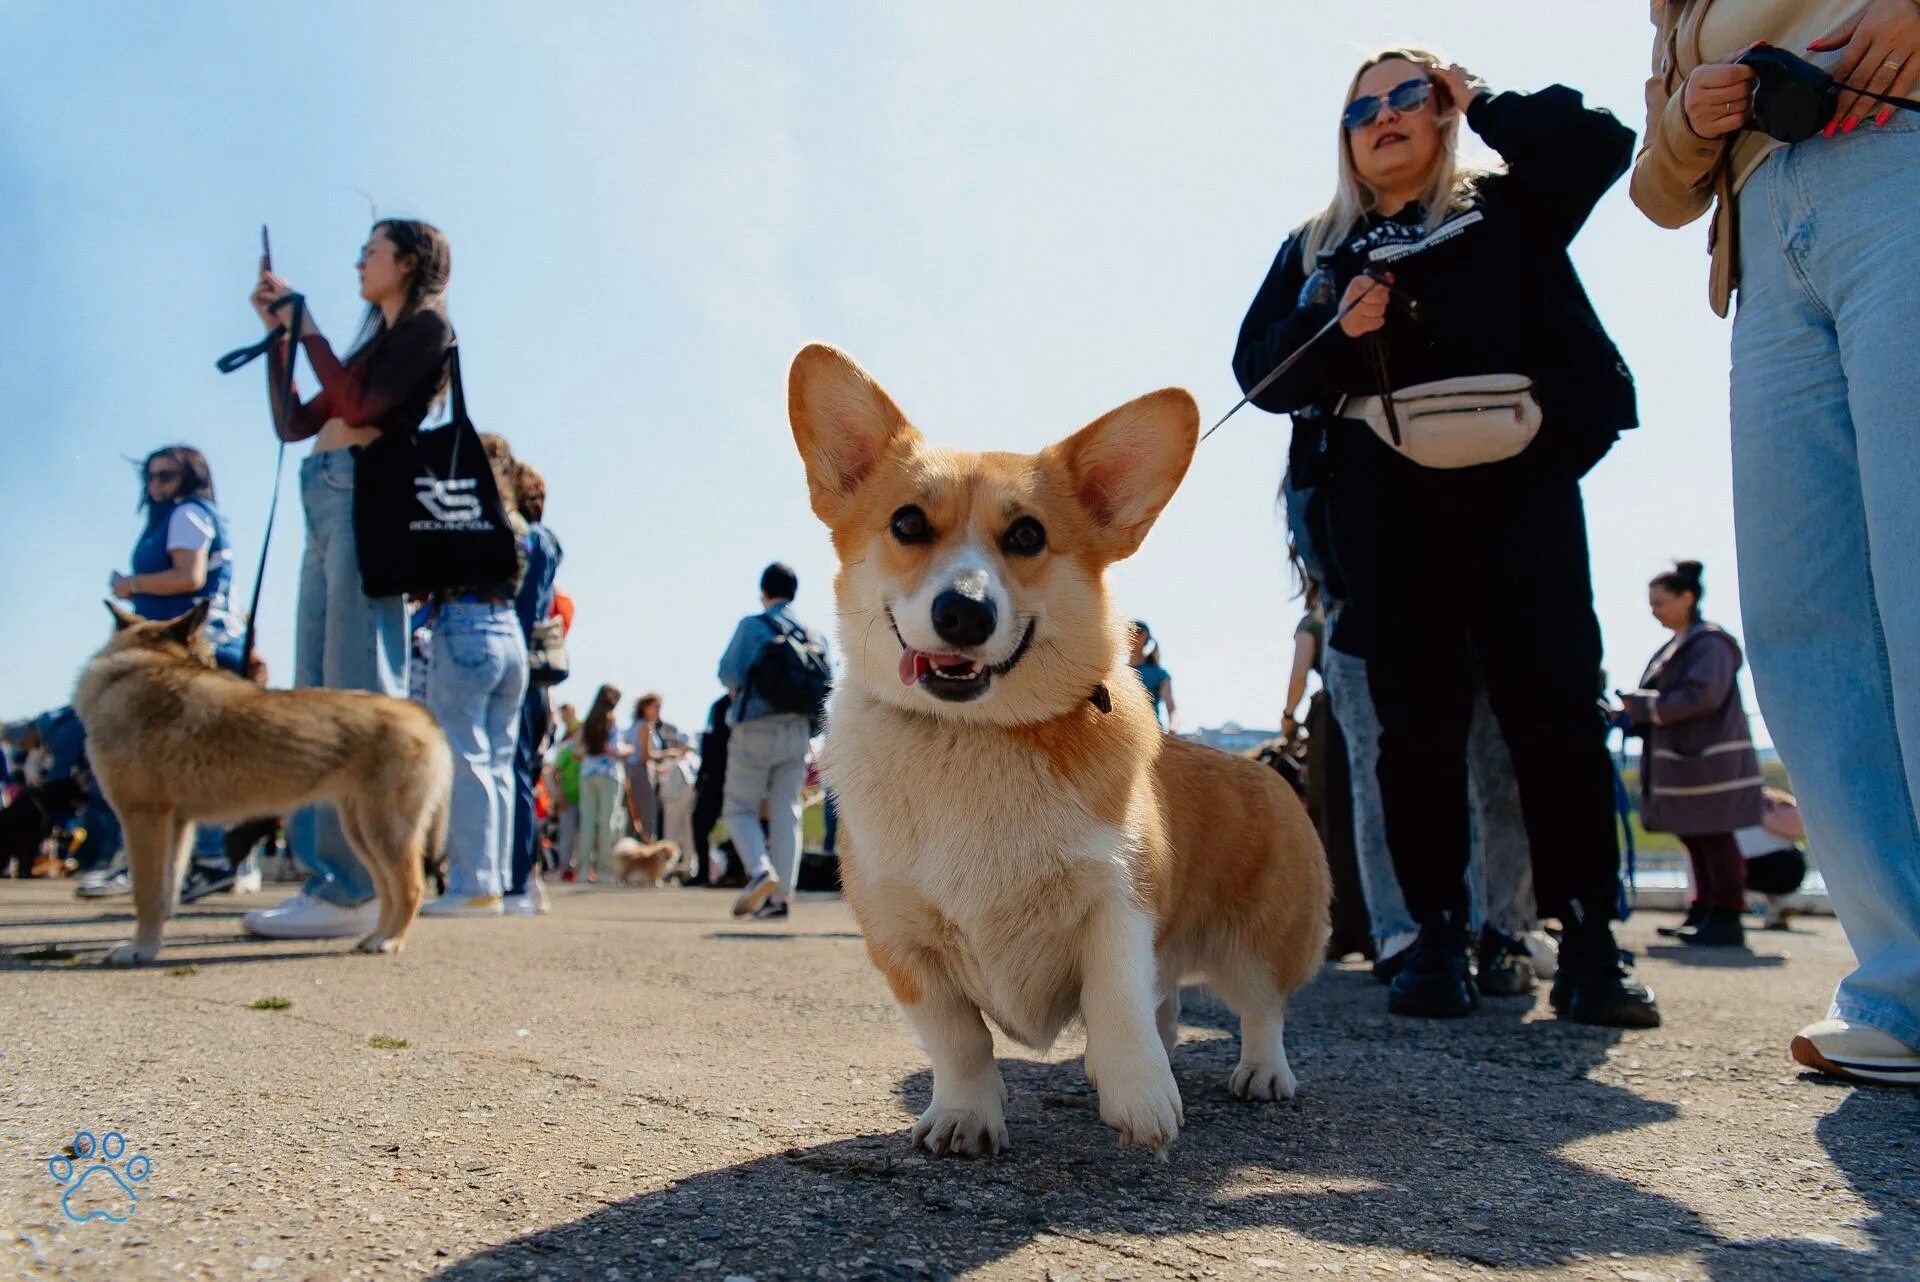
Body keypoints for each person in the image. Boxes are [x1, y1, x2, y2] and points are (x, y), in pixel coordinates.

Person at [1234, 51, 1655, 1026]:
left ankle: (1589, 939)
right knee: (1410, 732)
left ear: (1443, 112)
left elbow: (1597, 144)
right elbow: (1261, 374)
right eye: (1361, 107)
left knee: (1553, 719)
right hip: (1384, 511)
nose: (1383, 117)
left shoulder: (1508, 206)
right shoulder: (1316, 245)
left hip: (1525, 497)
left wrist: (1486, 99)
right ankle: (1432, 937)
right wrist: (1335, 332)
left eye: (1406, 98)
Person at [1631, 1, 1920, 1081]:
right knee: (1804, 620)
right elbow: (1656, 193)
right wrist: (1689, 128)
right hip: (1760, 226)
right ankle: (1902, 981)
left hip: (1898, 151)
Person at [242, 219, 456, 942]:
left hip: (365, 498)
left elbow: (362, 411)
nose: (359, 261)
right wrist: (282, 337)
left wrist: (306, 327)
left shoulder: (428, 330)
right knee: (314, 693)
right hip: (324, 491)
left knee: (356, 687)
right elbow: (297, 420)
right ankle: (331, 880)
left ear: (410, 260)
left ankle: (358, 885)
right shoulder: (371, 343)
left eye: (370, 251)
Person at [1619, 561, 1764, 949]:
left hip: (1708, 763)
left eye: (1660, 602)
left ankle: (1727, 914)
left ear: (1688, 597)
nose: (1654, 610)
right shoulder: (1679, 645)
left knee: (1715, 836)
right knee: (1696, 836)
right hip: (1688, 763)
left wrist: (1644, 707)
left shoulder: (1708, 643)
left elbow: (1703, 696)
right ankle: (1705, 910)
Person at [420, 434, 530, 916]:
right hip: (510, 633)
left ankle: (473, 883)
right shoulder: (519, 520)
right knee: (499, 762)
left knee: (468, 759)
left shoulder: (465, 507)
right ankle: (496, 881)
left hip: (465, 626)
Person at [718, 563, 825, 920]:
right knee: (787, 812)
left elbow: (728, 673)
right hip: (798, 731)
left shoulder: (754, 626)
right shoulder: (814, 634)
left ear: (763, 590)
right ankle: (780, 899)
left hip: (756, 727)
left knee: (740, 807)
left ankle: (759, 869)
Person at [111, 446, 245, 671]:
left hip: (197, 647)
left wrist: (132, 583)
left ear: (191, 478)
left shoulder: (187, 513)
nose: (155, 484)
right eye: (149, 477)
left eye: (165, 477)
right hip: (193, 644)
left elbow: (189, 577)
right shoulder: (184, 515)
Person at [507, 460, 563, 914]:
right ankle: (526, 876)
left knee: (507, 769)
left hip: (511, 652)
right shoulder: (551, 545)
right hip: (539, 672)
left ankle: (509, 875)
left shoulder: (520, 537)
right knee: (524, 773)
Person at [573, 684, 626, 884]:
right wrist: (626, 750)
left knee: (587, 823)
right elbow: (615, 749)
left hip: (587, 774)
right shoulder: (612, 721)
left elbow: (577, 751)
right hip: (608, 774)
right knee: (607, 822)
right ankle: (605, 869)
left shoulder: (587, 722)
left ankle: (584, 868)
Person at [1739, 789, 1810, 931]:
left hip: (1750, 866)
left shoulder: (1740, 802)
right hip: (1794, 864)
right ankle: (1778, 906)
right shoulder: (1784, 802)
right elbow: (1801, 830)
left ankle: (1721, 911)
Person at [691, 694, 733, 885]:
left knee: (701, 824)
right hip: (736, 773)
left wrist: (702, 774)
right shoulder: (753, 703)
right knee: (740, 823)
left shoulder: (719, 706)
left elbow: (708, 741)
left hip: (719, 775)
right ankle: (732, 873)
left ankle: (707, 872)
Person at [1127, 622, 1177, 731]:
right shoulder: (1117, 674)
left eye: (1136, 632)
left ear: (1144, 637)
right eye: (1127, 631)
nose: (1130, 635)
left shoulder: (1159, 674)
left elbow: (1171, 707)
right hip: (1123, 735)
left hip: (1150, 735)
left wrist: (1173, 727)